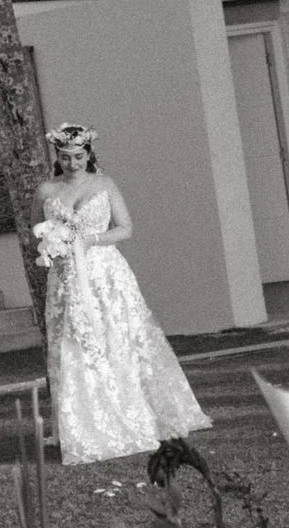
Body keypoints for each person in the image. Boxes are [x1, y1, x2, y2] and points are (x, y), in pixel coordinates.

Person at [35, 115, 208, 464]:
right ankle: (86, 425)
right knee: (77, 344)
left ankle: (134, 413)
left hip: (106, 274)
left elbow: (125, 228)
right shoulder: (46, 191)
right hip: (67, 278)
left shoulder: (105, 184)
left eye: (78, 156)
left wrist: (91, 239)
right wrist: (53, 243)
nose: (72, 163)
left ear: (88, 154)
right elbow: (33, 230)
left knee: (117, 338)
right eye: (65, 157)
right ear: (57, 156)